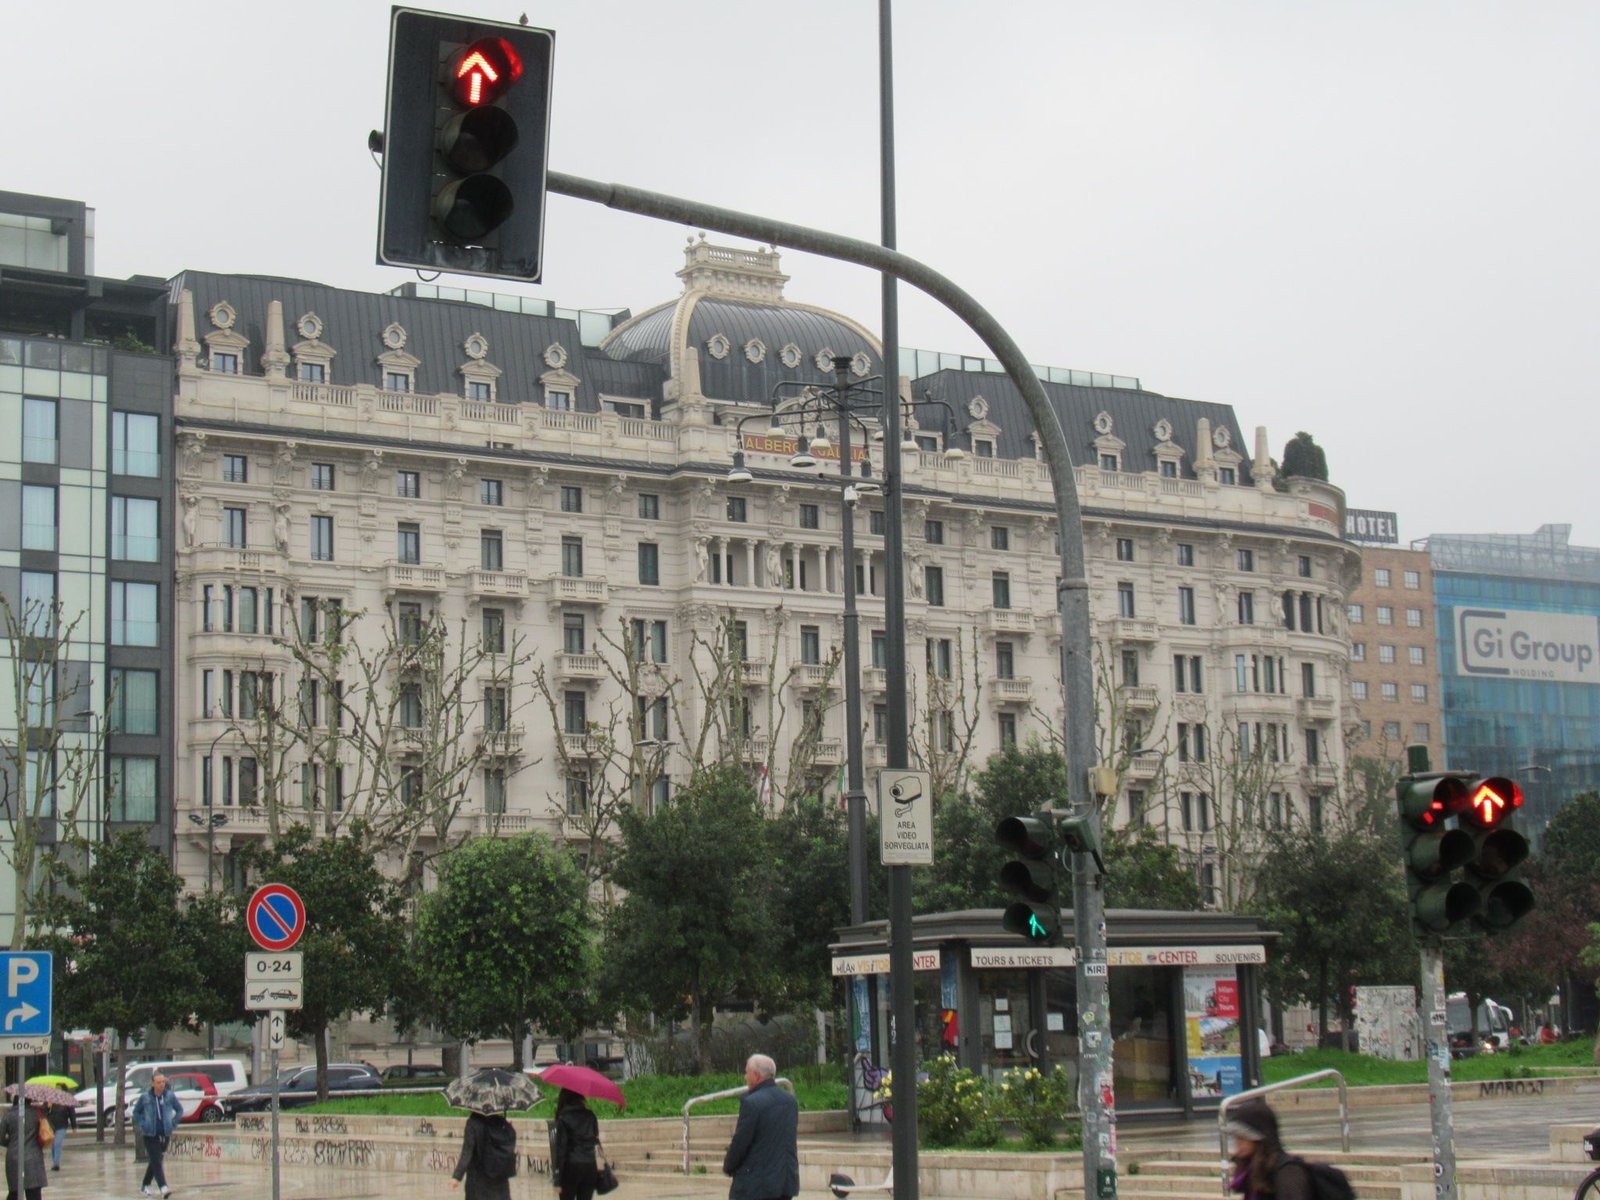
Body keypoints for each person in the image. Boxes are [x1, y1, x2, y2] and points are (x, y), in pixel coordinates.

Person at [722, 1054, 798, 1200]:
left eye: (746, 1072)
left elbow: (741, 1141)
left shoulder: (752, 1103)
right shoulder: (790, 1102)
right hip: (784, 1182)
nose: (745, 1077)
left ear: (756, 1076)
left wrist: (728, 1166)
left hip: (755, 1185)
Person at [1224, 1099, 1313, 1200]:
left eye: (1242, 1137)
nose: (1237, 1143)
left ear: (1259, 1140)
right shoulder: (1252, 1170)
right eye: (1236, 1137)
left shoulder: (1288, 1171)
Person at [131, 1072, 183, 1198]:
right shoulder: (145, 1097)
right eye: (159, 1082)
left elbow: (179, 1109)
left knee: (156, 1160)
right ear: (153, 1083)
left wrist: (173, 1123)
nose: (161, 1085)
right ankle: (163, 1187)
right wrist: (143, 1124)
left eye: (163, 1082)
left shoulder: (169, 1096)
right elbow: (136, 1112)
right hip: (150, 1134)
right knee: (157, 1161)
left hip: (165, 1133)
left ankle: (145, 1185)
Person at [448, 1109, 516, 1200]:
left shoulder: (473, 1123)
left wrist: (456, 1177)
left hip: (478, 1181)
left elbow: (467, 1152)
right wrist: (508, 1127)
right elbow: (509, 1144)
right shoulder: (501, 1122)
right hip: (499, 1179)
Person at [551, 1088, 600, 1200]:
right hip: (590, 1165)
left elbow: (560, 1150)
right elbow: (595, 1137)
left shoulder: (563, 1119)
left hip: (571, 1167)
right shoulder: (590, 1115)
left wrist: (557, 1179)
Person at [1, 1101, 49, 1200]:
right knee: (34, 1193)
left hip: (14, 1158)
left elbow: (0, 1138)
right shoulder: (37, 1113)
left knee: (15, 1192)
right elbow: (45, 1131)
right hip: (34, 1157)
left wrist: (10, 1143)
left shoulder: (8, 1115)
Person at [43, 1104, 72, 1173]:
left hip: (62, 1126)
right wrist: (47, 1108)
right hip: (51, 1127)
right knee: (53, 1145)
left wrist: (74, 1127)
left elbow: (71, 1114)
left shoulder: (65, 1104)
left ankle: (56, 1163)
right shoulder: (48, 1103)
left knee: (57, 1143)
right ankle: (55, 1162)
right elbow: (43, 1114)